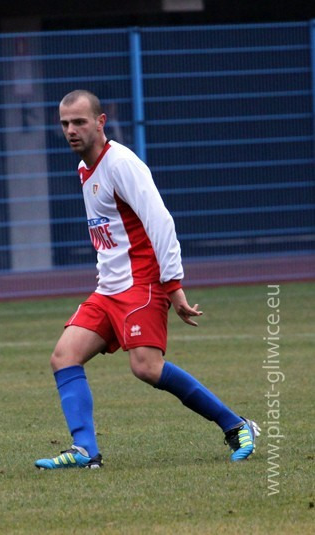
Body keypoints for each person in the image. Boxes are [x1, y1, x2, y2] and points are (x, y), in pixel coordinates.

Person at [34, 90, 259, 469]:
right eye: (65, 123)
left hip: (142, 284)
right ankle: (85, 450)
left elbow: (160, 221)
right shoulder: (85, 169)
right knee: (64, 357)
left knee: (146, 367)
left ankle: (236, 425)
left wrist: (173, 284)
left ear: (100, 122)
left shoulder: (121, 164)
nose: (71, 130)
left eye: (79, 122)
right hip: (109, 288)